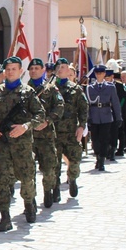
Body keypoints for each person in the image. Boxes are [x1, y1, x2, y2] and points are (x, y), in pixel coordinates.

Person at [0, 56, 45, 230]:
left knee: (27, 178)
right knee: (1, 181)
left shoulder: (28, 93)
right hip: (0, 146)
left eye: (14, 69)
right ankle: (5, 217)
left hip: (21, 145)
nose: (10, 72)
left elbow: (40, 115)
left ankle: (29, 204)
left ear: (20, 71)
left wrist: (26, 126)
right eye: (8, 69)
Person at [27, 58, 64, 208]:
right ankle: (30, 199)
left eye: (37, 68)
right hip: (28, 136)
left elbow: (60, 107)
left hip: (46, 135)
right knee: (28, 170)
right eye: (31, 68)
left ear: (43, 70)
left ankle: (48, 190)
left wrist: (47, 121)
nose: (34, 70)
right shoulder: (24, 89)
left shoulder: (50, 89)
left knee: (49, 167)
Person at [52, 58, 88, 201]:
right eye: (59, 67)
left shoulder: (75, 89)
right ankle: (54, 188)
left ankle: (72, 178)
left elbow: (83, 109)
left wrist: (81, 126)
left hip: (70, 132)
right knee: (53, 163)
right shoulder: (48, 89)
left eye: (64, 67)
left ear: (68, 70)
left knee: (74, 160)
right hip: (53, 132)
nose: (61, 69)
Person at [86, 65, 122, 171]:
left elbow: (115, 103)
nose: (99, 75)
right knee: (95, 140)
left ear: (104, 74)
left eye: (101, 73)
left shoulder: (111, 87)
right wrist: (87, 117)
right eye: (97, 73)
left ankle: (101, 160)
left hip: (106, 115)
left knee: (104, 139)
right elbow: (87, 103)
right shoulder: (90, 87)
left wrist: (118, 117)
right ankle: (97, 156)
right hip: (94, 116)